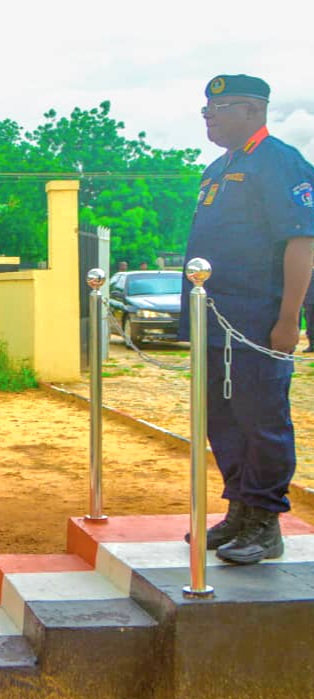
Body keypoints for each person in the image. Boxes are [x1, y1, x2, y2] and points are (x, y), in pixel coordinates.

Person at [180, 74, 314, 564]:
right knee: (222, 418)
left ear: (253, 112)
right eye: (206, 110)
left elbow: (302, 241)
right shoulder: (219, 167)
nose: (210, 117)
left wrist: (288, 319)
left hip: (258, 323)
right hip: (216, 321)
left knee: (263, 422)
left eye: (220, 108)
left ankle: (264, 522)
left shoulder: (279, 162)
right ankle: (239, 508)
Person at [301, 260, 314, 353]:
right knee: (310, 324)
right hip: (309, 301)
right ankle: (312, 345)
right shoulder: (306, 271)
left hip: (309, 300)